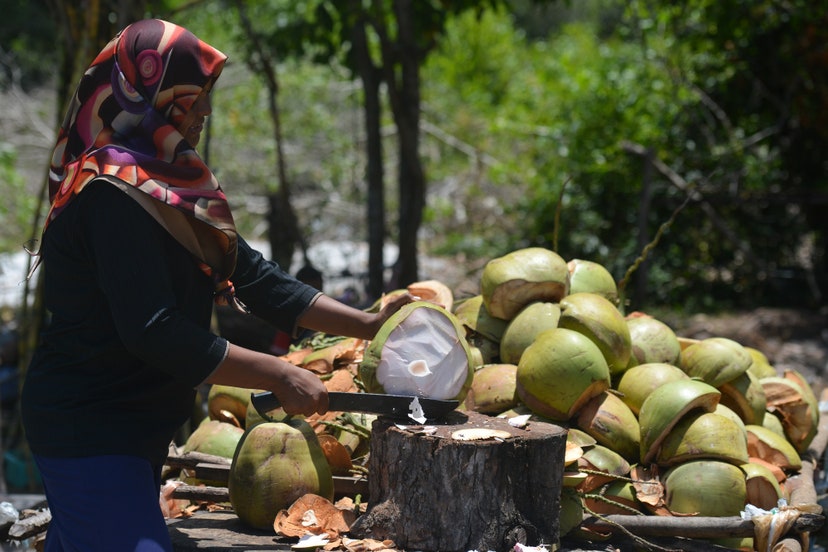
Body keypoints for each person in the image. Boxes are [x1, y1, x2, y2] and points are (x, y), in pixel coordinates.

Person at [20, 19, 413, 552]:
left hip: (136, 426)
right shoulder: (109, 194)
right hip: (90, 427)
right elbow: (153, 330)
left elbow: (252, 274)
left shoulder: (167, 182)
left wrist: (371, 323)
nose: (204, 110)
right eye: (193, 96)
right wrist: (276, 370)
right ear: (149, 94)